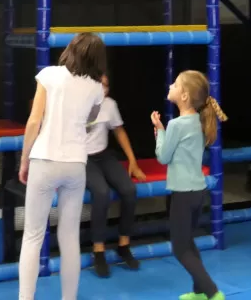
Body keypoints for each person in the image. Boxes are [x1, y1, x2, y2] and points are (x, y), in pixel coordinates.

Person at [18, 33, 106, 300]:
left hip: (45, 159)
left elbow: (34, 122)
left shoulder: (49, 75)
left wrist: (24, 160)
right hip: (75, 164)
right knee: (69, 238)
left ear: (70, 49)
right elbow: (91, 120)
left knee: (33, 235)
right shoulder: (96, 88)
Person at [152, 70, 227, 300]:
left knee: (180, 248)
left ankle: (213, 292)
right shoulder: (198, 120)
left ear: (184, 95)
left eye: (175, 84)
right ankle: (199, 292)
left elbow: (163, 157)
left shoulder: (176, 124)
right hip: (197, 192)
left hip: (183, 194)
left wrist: (160, 132)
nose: (170, 86)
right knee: (188, 243)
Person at [85, 73, 146, 277]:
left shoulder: (110, 104)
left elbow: (119, 132)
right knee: (101, 192)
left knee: (129, 189)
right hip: (82, 158)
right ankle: (98, 250)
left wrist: (133, 161)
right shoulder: (76, 104)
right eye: (99, 84)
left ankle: (123, 244)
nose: (104, 89)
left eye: (106, 85)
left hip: (103, 155)